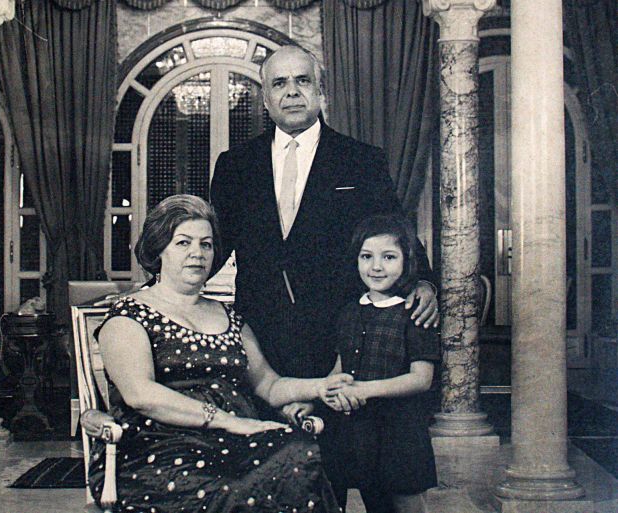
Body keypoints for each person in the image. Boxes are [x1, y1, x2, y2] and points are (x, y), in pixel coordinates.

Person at [81, 194, 350, 512]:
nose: (197, 253)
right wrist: (228, 421)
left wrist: (322, 386)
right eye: (183, 243)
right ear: (158, 249)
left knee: (298, 454)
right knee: (235, 487)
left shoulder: (229, 315)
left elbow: (268, 385)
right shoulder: (129, 315)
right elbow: (141, 395)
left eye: (206, 244)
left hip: (238, 442)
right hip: (159, 448)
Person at [210, 45, 438, 385]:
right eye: (279, 83)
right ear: (266, 99)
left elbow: (396, 229)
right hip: (259, 336)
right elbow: (215, 244)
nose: (291, 92)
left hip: (340, 336)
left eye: (302, 80)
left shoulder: (361, 160)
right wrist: (160, 288)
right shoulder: (235, 165)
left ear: (321, 91)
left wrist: (424, 282)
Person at [319, 214, 440, 513]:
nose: (376, 267)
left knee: (406, 505)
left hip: (401, 433)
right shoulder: (349, 311)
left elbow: (421, 378)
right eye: (366, 257)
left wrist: (364, 390)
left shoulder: (414, 313)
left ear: (407, 261)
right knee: (374, 502)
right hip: (360, 433)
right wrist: (332, 392)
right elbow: (340, 367)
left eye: (388, 257)